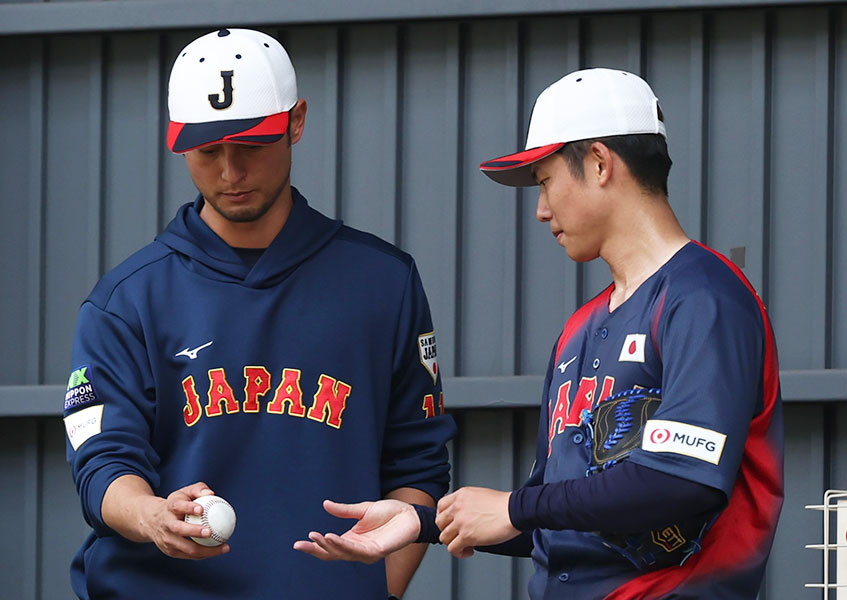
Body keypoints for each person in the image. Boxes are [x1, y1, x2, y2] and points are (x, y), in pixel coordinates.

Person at [294, 68, 784, 599]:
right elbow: (563, 509)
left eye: (546, 180)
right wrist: (424, 521)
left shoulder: (704, 298)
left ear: (599, 163)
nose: (540, 209)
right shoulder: (581, 326)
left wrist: (511, 507)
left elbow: (679, 479)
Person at [62, 27, 456, 600]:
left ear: (296, 122)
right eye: (206, 151)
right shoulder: (126, 300)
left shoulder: (383, 282)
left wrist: (375, 591)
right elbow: (101, 462)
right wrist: (150, 515)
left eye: (250, 146)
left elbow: (417, 467)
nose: (229, 173)